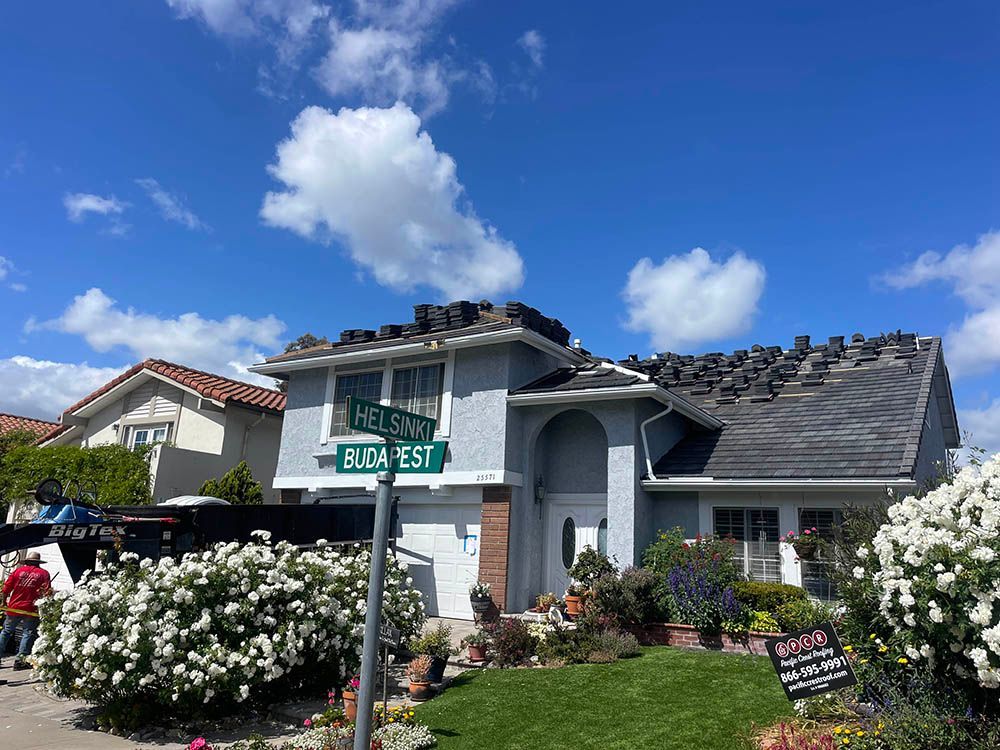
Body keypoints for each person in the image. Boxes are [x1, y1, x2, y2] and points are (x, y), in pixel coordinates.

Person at [0, 551, 52, 671]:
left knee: (6, 632)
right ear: (38, 562)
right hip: (31, 608)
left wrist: (3, 602)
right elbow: (47, 592)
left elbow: (6, 588)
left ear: (27, 561)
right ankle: (20, 661)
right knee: (27, 633)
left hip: (14, 606)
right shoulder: (43, 574)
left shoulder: (18, 571)